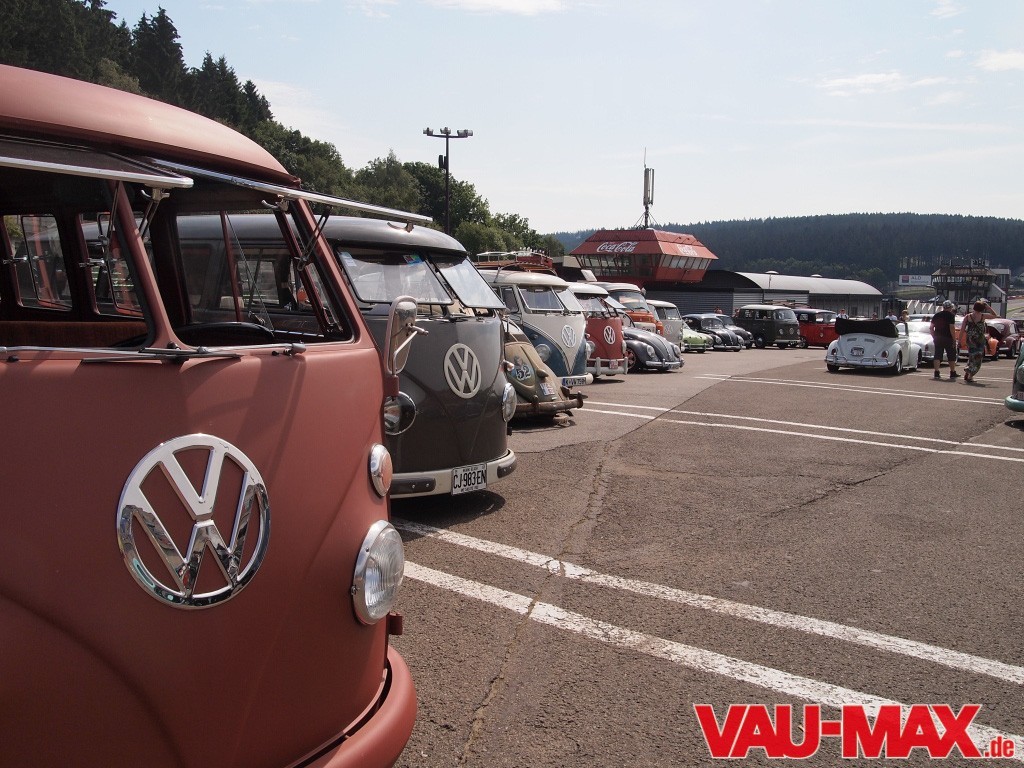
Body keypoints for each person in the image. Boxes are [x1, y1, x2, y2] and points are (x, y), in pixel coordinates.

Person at [958, 300, 997, 382]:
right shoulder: (983, 316)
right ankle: (970, 375)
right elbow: (994, 315)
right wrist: (988, 307)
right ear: (982, 308)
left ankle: (968, 370)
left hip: (970, 339)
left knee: (971, 356)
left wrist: (959, 341)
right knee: (978, 358)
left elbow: (962, 330)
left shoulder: (968, 317)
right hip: (979, 339)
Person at [930, 300, 959, 380]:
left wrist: (934, 336)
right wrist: (954, 339)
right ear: (950, 307)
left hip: (938, 337)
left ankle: (936, 372)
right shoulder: (951, 315)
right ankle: (952, 372)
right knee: (951, 355)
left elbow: (931, 327)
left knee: (937, 355)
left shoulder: (937, 315)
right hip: (948, 338)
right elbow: (951, 328)